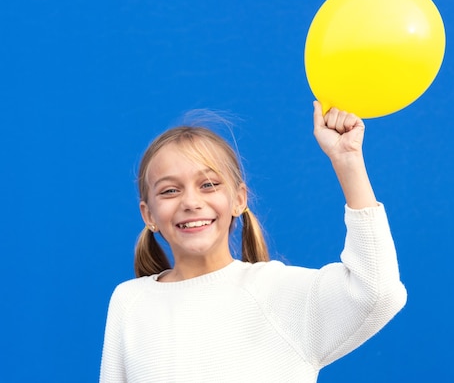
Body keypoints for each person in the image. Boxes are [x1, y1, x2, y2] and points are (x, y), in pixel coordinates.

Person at [99, 102, 407, 382]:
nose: (191, 201)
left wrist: (347, 159)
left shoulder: (278, 293)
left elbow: (377, 292)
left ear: (238, 199)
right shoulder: (129, 302)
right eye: (169, 190)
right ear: (148, 214)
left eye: (208, 185)